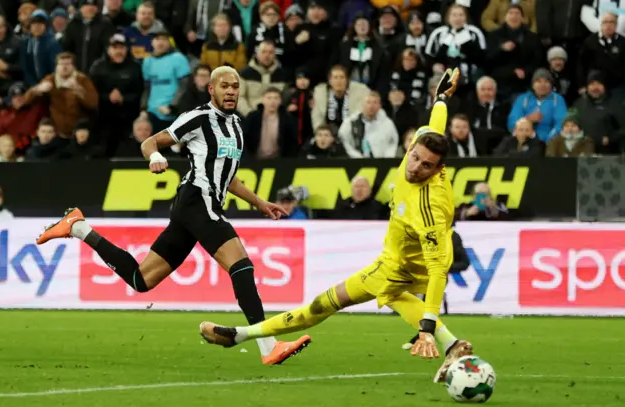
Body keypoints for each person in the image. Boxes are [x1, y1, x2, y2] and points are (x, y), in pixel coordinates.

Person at [199, 68, 475, 383]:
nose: (415, 167)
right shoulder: (423, 144)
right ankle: (453, 344)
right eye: (414, 157)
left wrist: (426, 327)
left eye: (426, 166)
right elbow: (436, 122)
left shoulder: (431, 206)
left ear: (439, 168)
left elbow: (439, 269)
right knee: (368, 300)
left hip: (408, 267)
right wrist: (440, 98)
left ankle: (240, 335)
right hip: (395, 261)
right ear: (411, 146)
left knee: (324, 303)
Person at [36, 66, 311, 367]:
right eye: (225, 86)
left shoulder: (236, 126)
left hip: (199, 206)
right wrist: (155, 156)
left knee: (142, 280)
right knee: (242, 266)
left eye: (235, 86)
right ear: (212, 89)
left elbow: (228, 177)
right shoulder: (198, 117)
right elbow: (149, 142)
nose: (231, 91)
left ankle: (78, 227)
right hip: (196, 199)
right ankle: (267, 346)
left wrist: (259, 203)